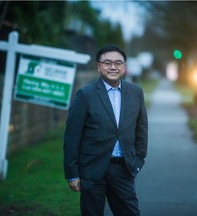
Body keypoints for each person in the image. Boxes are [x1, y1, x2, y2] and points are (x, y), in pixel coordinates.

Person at [63, 45, 148, 216]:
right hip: (92, 170)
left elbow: (142, 129)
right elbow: (72, 136)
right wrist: (72, 174)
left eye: (118, 63)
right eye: (107, 62)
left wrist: (138, 160)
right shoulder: (85, 95)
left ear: (124, 66)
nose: (113, 67)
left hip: (123, 169)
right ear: (98, 66)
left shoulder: (136, 92)